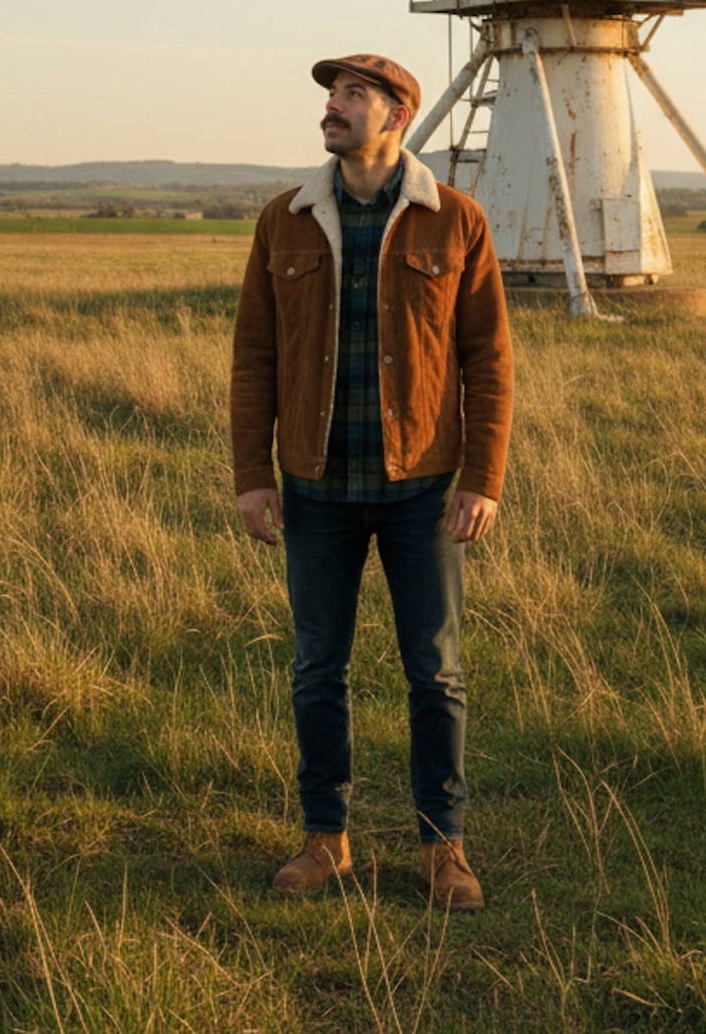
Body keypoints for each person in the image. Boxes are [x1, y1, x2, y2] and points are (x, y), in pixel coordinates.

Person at [230, 52, 513, 910]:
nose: (333, 105)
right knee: (318, 668)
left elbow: (487, 359)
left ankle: (443, 849)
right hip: (314, 487)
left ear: (395, 115)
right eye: (330, 93)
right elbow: (254, 355)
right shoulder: (283, 219)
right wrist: (252, 475)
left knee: (436, 673)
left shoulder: (454, 220)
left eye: (353, 95)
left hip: (422, 487)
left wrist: (482, 476)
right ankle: (325, 839)